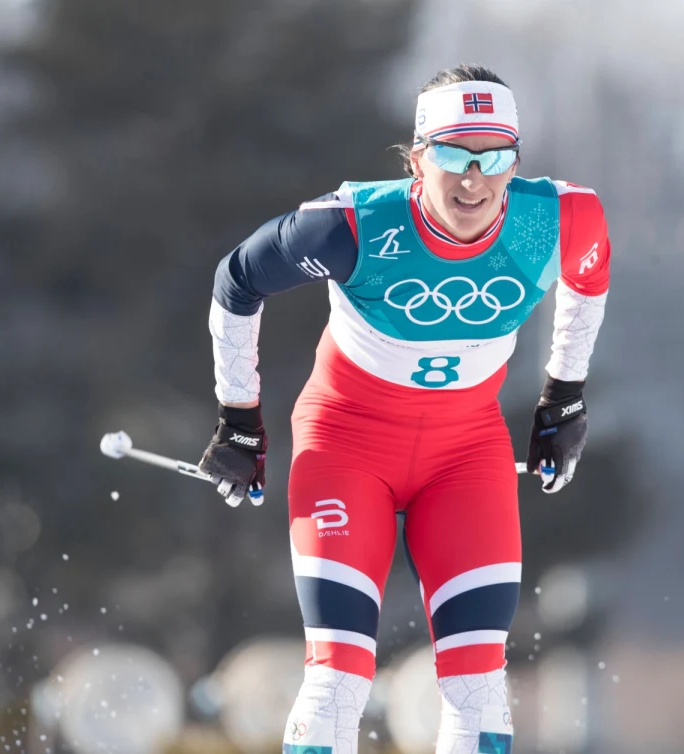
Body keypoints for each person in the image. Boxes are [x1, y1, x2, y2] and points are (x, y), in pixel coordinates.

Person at [197, 64, 611, 754]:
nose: (473, 179)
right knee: (339, 678)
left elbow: (588, 280)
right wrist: (239, 417)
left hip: (465, 454)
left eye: (494, 157)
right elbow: (237, 280)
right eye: (453, 155)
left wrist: (563, 397)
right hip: (346, 446)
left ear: (515, 162)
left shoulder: (561, 218)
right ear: (418, 158)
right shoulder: (350, 226)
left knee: (479, 686)